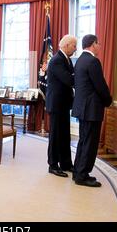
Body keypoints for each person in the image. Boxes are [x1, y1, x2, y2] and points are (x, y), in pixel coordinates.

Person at [71, 34, 112, 187]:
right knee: (90, 143)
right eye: (98, 43)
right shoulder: (93, 61)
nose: (100, 46)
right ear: (93, 44)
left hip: (82, 108)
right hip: (92, 109)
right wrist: (108, 100)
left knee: (83, 141)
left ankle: (78, 171)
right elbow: (100, 85)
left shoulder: (80, 60)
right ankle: (82, 175)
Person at [45, 35, 77, 178]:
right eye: (74, 45)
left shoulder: (66, 59)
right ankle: (53, 165)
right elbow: (69, 80)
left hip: (63, 104)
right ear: (66, 45)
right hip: (56, 104)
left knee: (64, 136)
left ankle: (66, 163)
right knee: (56, 136)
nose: (75, 49)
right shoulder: (57, 60)